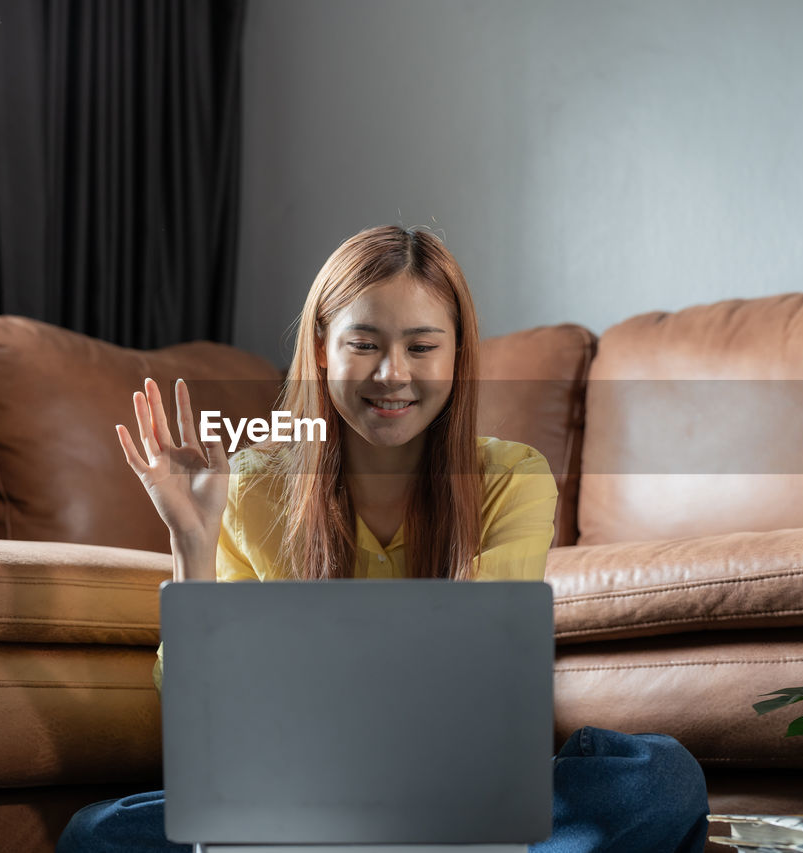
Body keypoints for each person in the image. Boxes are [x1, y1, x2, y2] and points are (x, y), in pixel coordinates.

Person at [56, 226, 709, 853]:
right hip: (300, 798)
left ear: (457, 355)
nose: (392, 373)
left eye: (422, 347)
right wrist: (191, 543)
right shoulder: (250, 486)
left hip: (462, 793)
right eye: (364, 343)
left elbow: (477, 684)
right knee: (99, 833)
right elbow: (212, 729)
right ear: (321, 348)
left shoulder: (512, 478)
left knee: (661, 777)